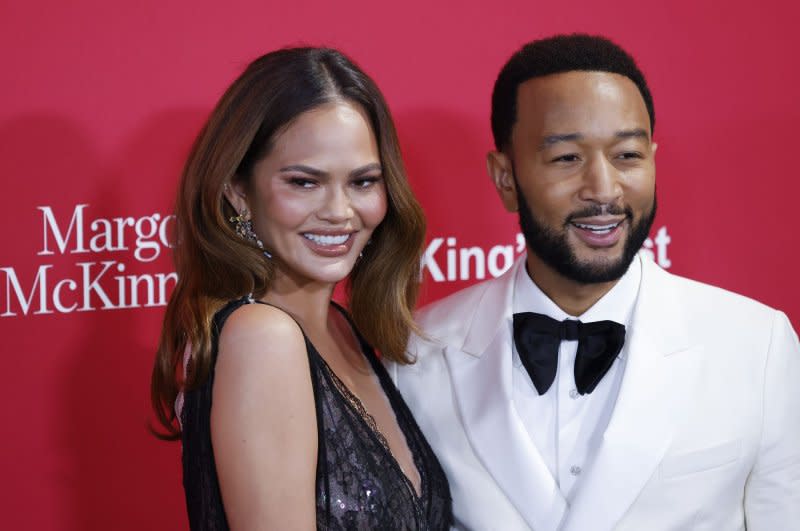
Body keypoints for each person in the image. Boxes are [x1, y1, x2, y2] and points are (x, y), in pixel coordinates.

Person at [387, 34, 800, 530]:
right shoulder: (415, 354)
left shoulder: (758, 345)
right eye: (567, 159)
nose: (603, 189)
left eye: (627, 155)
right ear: (505, 178)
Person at [150, 47, 452, 530]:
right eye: (304, 182)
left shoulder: (340, 327)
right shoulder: (262, 337)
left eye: (362, 181)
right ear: (238, 191)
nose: (339, 211)